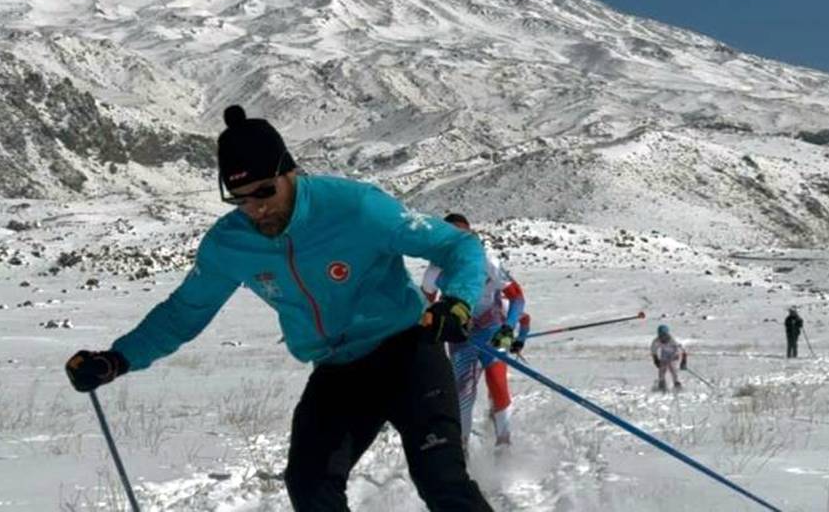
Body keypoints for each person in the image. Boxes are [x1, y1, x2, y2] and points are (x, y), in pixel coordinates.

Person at [66, 106, 494, 511]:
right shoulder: (229, 243)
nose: (256, 208)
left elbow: (455, 244)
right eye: (240, 198)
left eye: (265, 192)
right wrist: (118, 358)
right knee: (309, 487)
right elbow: (184, 311)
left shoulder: (356, 207)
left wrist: (457, 302)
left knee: (441, 480)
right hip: (337, 370)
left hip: (406, 353)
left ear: (288, 171)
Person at [422, 213, 530, 450]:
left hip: (493, 328)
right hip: (462, 336)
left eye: (465, 235)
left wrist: (508, 328)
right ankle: (462, 450)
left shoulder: (487, 260)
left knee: (497, 381)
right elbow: (424, 307)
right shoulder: (435, 270)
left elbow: (518, 298)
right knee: (463, 394)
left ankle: (504, 445)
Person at [650, 324, 686, 392]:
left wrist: (683, 361)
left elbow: (683, 351)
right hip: (664, 357)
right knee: (661, 371)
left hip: (674, 357)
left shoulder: (674, 341)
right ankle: (662, 384)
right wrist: (656, 359)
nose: (663, 337)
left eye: (664, 334)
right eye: (661, 335)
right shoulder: (656, 341)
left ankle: (677, 385)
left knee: (674, 370)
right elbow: (653, 350)